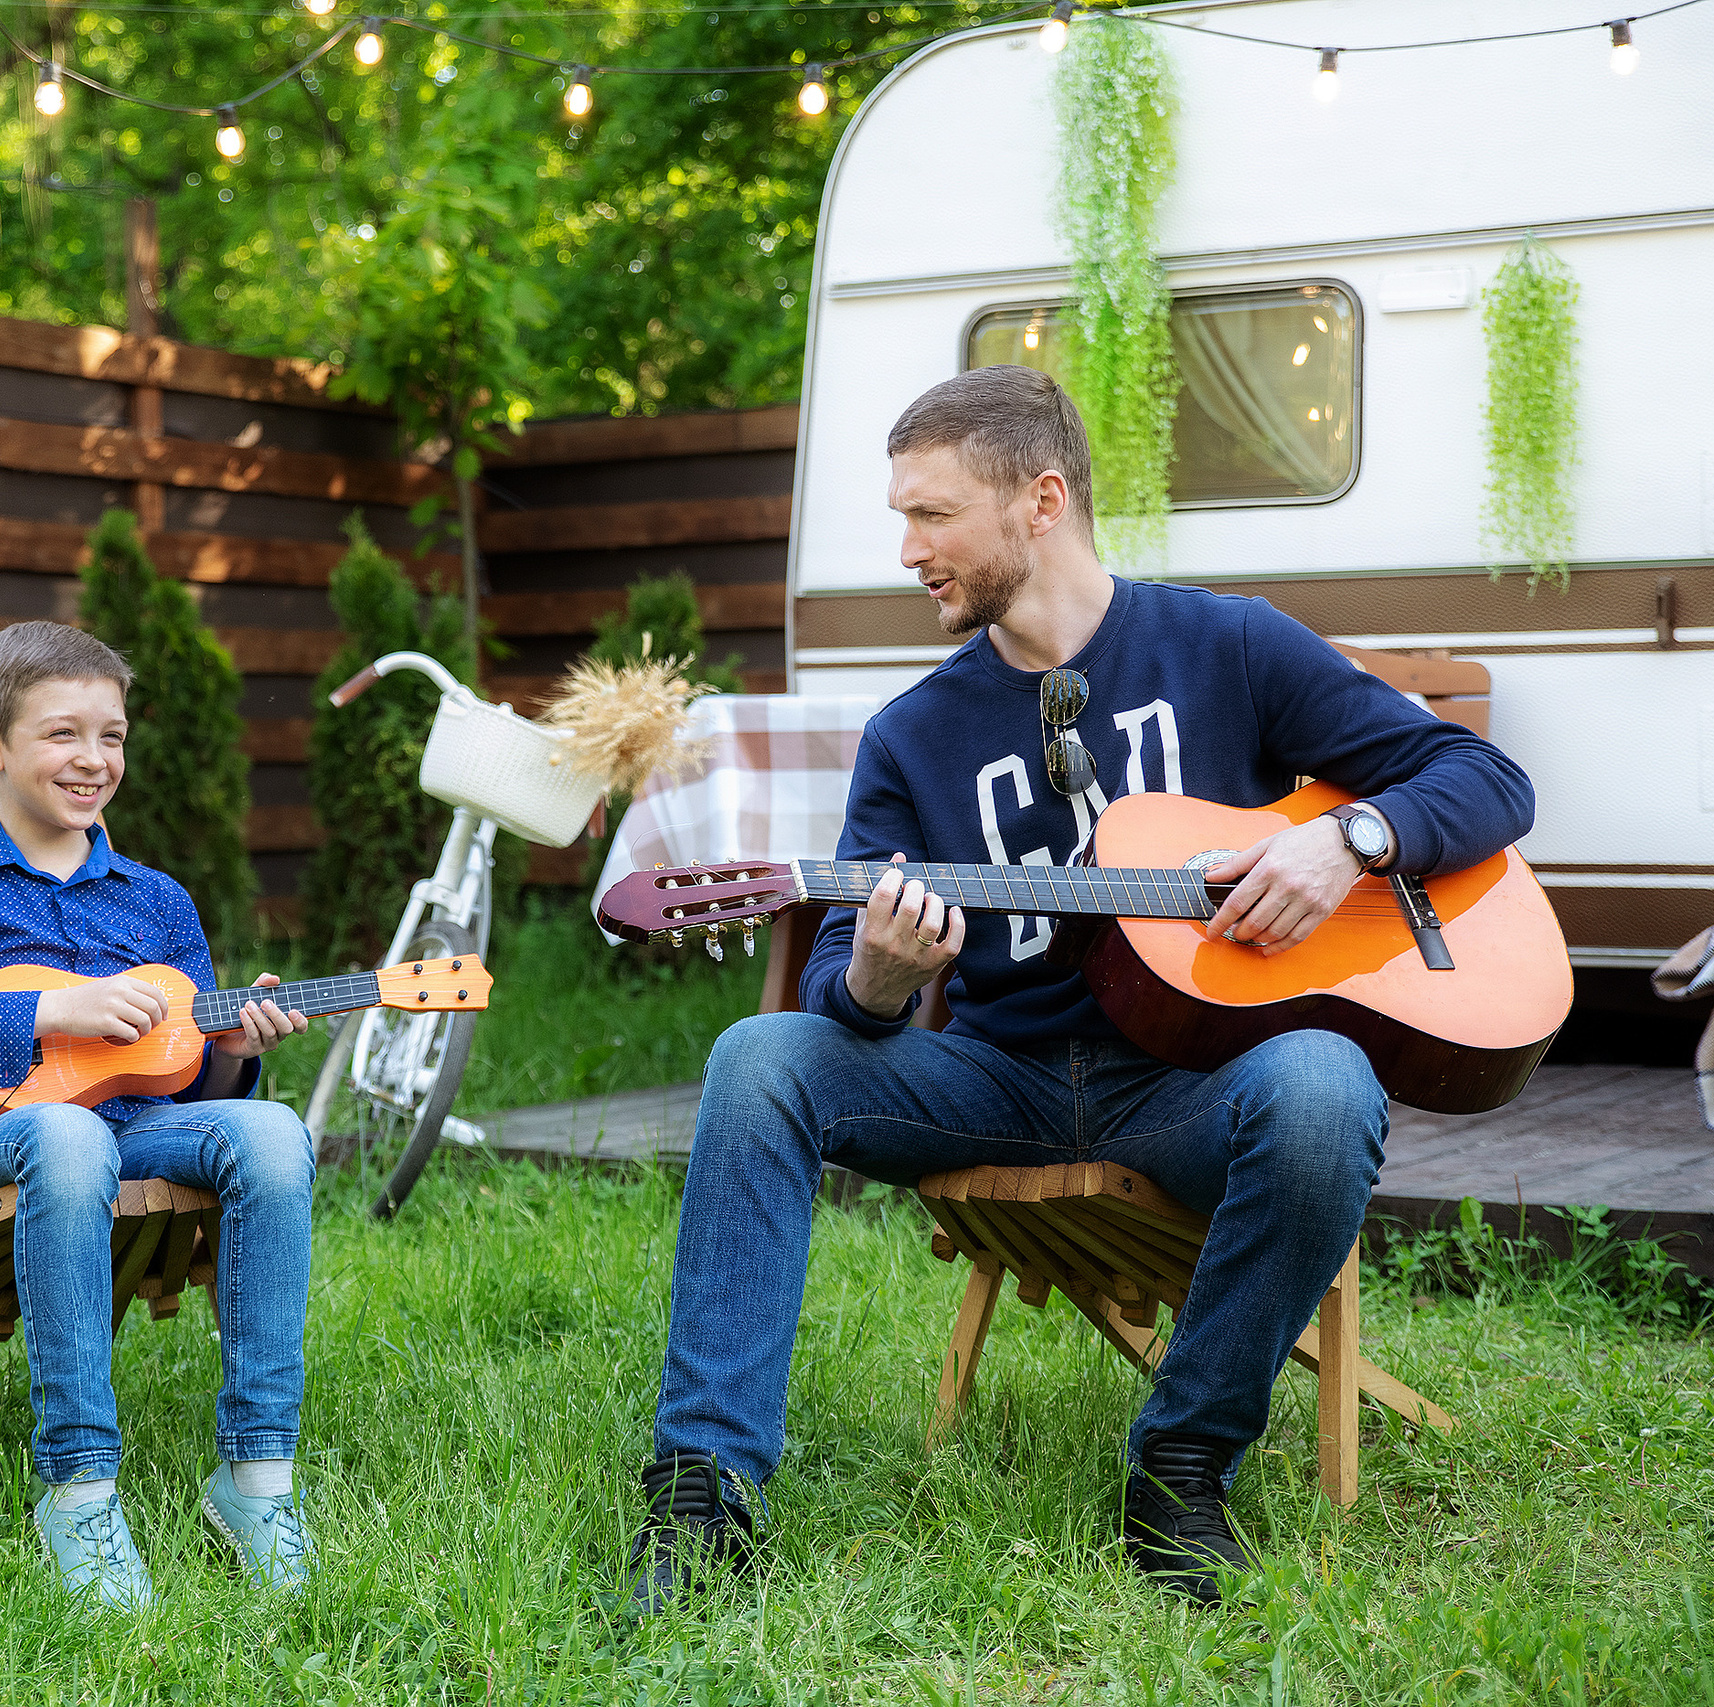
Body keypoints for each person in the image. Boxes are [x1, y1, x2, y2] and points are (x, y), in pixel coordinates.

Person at [623, 366, 1535, 1609]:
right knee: (758, 1057)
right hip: (989, 1082)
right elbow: (840, 975)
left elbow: (1484, 783)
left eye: (931, 515)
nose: (906, 550)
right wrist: (881, 986)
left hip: (1193, 1087)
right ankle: (699, 1497)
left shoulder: (1227, 647)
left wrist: (1349, 842)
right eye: (900, 518)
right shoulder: (914, 734)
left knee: (1324, 1085)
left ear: (1040, 500)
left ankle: (1180, 1466)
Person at [0, 620, 318, 1610]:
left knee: (276, 1133)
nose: (94, 760)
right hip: (1, 1142)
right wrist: (44, 1010)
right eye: (64, 735)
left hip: (138, 1130)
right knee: (66, 1134)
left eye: (111, 737)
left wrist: (233, 1053)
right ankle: (80, 1488)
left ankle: (257, 1483)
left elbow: (182, 1083)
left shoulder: (156, 901)